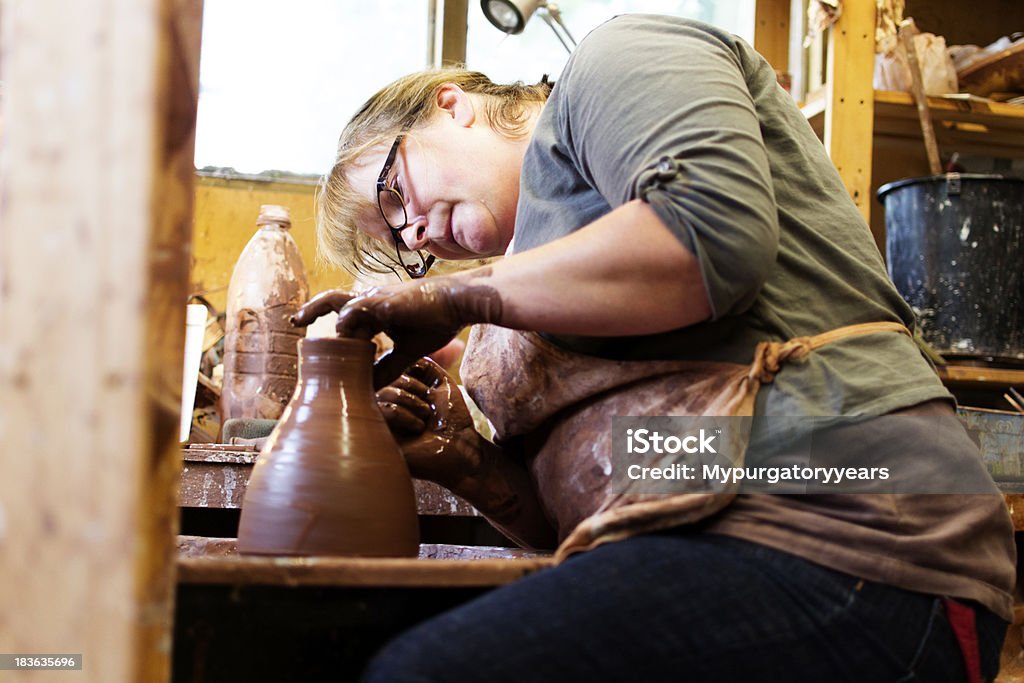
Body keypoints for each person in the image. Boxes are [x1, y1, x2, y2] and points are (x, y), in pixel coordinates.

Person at [293, 14, 1015, 682]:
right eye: (401, 248)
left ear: (451, 104)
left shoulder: (617, 61)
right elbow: (649, 472)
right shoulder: (519, 303)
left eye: (394, 194)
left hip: (864, 532)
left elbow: (713, 233)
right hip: (740, 533)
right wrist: (466, 461)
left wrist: (453, 296)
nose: (414, 235)